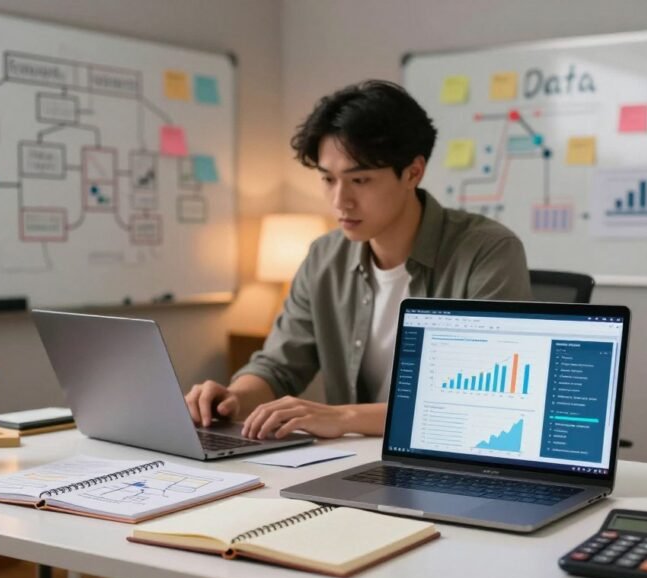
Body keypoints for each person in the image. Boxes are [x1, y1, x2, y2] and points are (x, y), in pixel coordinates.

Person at [185, 80, 531, 440]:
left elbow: (484, 400)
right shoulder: (324, 256)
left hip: (449, 461)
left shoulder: (488, 251)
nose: (340, 201)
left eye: (360, 180)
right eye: (328, 179)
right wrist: (234, 398)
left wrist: (344, 418)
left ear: (413, 172)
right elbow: (279, 366)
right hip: (349, 466)